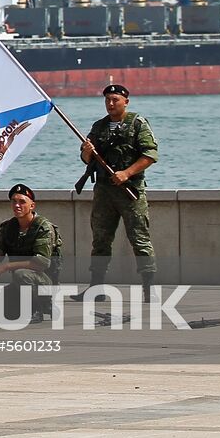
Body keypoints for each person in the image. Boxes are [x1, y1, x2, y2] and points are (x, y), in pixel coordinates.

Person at [76, 83, 157, 300]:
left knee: (140, 239)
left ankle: (148, 289)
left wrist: (127, 173)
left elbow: (150, 155)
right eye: (107, 100)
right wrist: (87, 152)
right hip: (104, 191)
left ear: (125, 102)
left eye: (115, 100)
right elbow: (86, 159)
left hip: (130, 191)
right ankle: (96, 288)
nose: (110, 104)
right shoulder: (99, 126)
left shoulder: (137, 123)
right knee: (100, 240)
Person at [0, 183, 60, 323]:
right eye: (14, 201)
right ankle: (46, 307)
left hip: (44, 281)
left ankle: (37, 309)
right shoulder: (9, 227)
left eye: (22, 202)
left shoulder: (43, 227)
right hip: (21, 282)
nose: (17, 205)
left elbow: (41, 263)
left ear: (32, 206)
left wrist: (7, 266)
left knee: (21, 274)